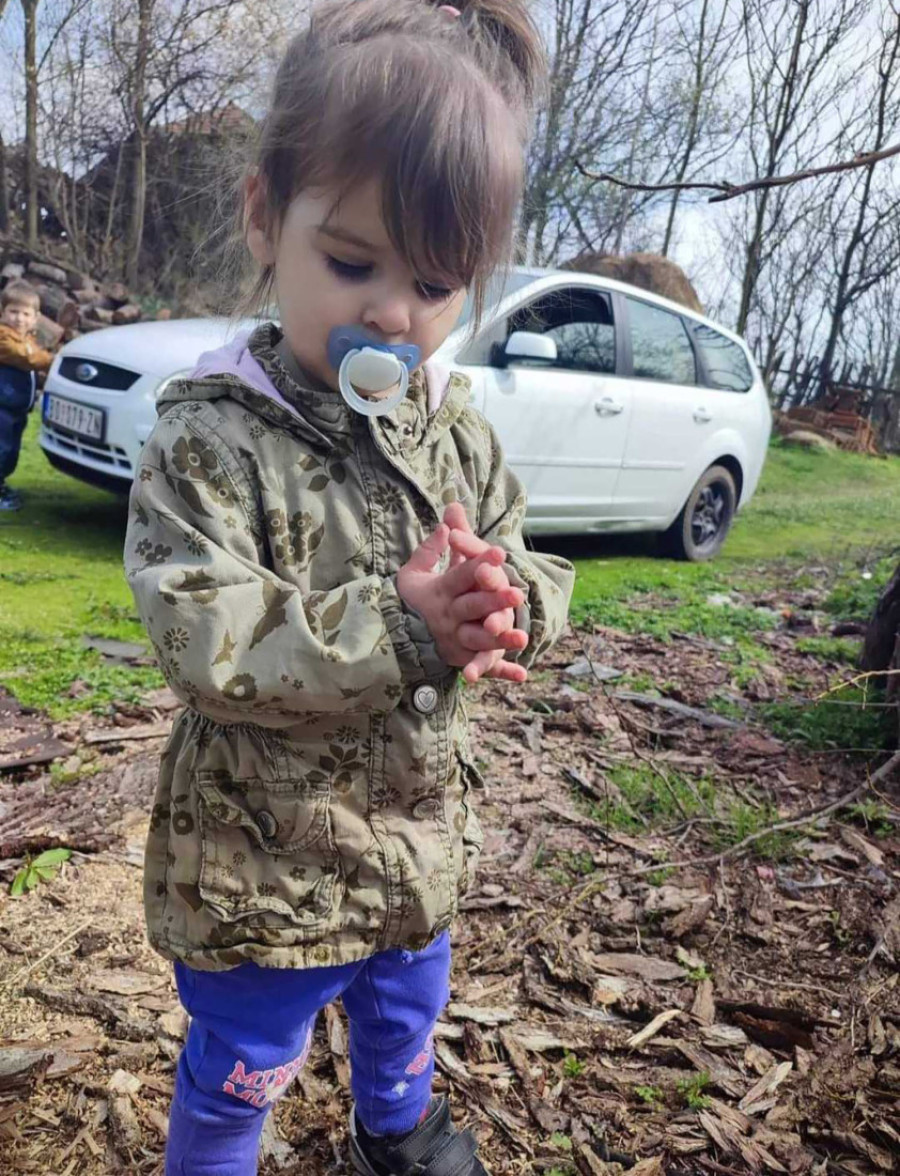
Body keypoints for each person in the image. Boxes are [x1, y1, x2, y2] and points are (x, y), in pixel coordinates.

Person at [124, 2, 575, 1173]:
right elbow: (205, 636)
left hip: (415, 846)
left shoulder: (455, 435)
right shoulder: (212, 440)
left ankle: (396, 1132)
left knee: (405, 1016)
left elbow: (533, 551)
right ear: (268, 217)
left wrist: (503, 598)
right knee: (241, 1074)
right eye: (353, 262)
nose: (395, 313)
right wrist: (402, 623)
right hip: (261, 878)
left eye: (436, 282)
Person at [0, 279, 52, 511]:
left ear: (35, 318)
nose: (19, 318)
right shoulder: (4, 339)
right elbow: (26, 358)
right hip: (2, 407)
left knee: (10, 450)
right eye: (13, 312)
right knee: (1, 448)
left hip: (16, 409)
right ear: (2, 313)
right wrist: (53, 360)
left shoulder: (26, 340)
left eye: (25, 314)